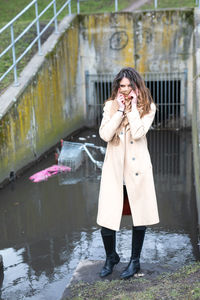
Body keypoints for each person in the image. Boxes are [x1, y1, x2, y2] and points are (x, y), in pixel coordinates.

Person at [97, 67, 160, 280]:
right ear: (117, 87)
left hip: (137, 171)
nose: (125, 90)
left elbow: (140, 132)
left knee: (138, 216)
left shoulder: (148, 107)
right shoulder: (110, 106)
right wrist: (120, 111)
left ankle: (134, 261)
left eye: (129, 86)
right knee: (107, 218)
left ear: (136, 86)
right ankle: (110, 257)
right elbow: (105, 134)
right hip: (114, 171)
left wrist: (132, 108)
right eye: (121, 86)